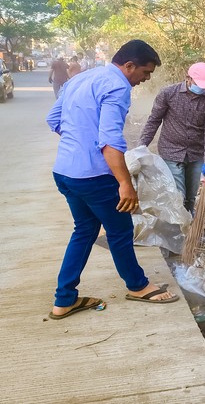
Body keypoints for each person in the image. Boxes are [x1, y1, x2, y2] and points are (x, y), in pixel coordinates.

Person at [45, 39, 178, 321]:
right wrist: (124, 183)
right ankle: (138, 286)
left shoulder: (82, 78)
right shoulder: (117, 87)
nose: (146, 79)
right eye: (145, 72)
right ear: (129, 66)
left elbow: (53, 119)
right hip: (94, 177)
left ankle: (64, 299)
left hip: (65, 172)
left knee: (83, 231)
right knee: (119, 231)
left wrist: (79, 144)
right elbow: (109, 141)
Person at [138, 62, 205, 214]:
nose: (202, 88)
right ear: (188, 78)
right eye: (198, 83)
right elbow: (154, 120)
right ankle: (177, 229)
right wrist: (142, 146)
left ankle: (188, 224)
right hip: (171, 150)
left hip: (196, 153)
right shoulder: (168, 94)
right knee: (178, 195)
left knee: (190, 196)